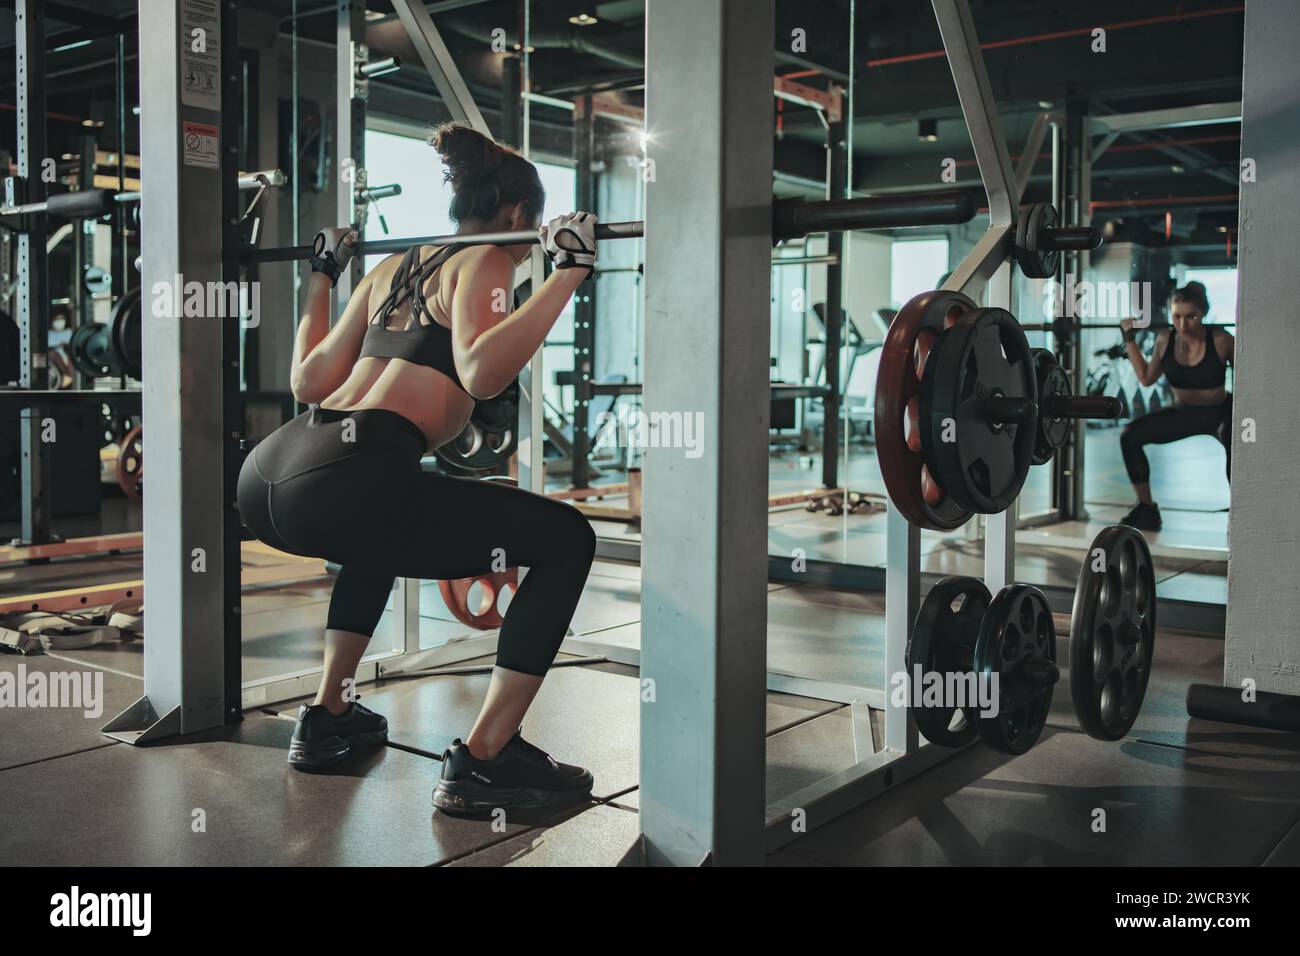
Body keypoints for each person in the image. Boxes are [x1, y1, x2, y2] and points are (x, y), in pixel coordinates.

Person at [237, 124, 599, 814]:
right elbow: (483, 372)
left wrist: (321, 274)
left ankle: (329, 716)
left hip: (274, 473)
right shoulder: (487, 256)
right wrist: (568, 275)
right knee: (568, 539)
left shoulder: (392, 267)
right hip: (351, 471)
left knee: (377, 527)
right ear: (520, 217)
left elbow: (309, 379)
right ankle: (488, 759)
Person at [1118, 280, 1234, 531]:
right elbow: (1147, 378)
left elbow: (1248, 382)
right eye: (1176, 316)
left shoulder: (1222, 339)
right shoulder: (1165, 339)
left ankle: (1242, 506)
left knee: (1233, 438)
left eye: (1191, 316)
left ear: (1203, 313)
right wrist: (1129, 339)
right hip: (1185, 414)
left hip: (1221, 412)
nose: (1183, 325)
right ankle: (1147, 508)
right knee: (1130, 435)